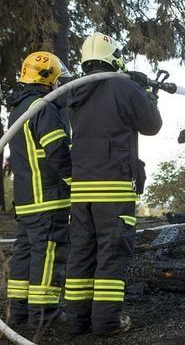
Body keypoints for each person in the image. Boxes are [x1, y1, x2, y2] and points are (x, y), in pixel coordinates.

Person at [65, 32, 162, 336]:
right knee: (112, 252)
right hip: (114, 187)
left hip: (81, 190)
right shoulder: (124, 86)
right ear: (114, 58)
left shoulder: (74, 92)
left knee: (82, 252)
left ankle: (76, 320)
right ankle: (106, 323)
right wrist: (148, 92)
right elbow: (152, 125)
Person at [6, 51, 73, 327]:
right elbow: (57, 151)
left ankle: (19, 310)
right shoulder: (43, 108)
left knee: (24, 253)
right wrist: (75, 181)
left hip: (26, 200)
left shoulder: (18, 109)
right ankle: (43, 313)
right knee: (48, 253)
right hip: (47, 198)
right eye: (60, 80)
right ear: (50, 79)